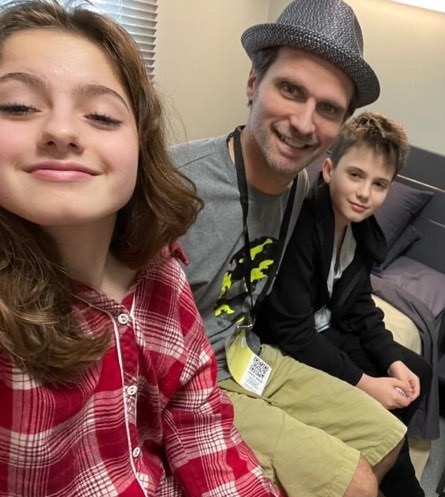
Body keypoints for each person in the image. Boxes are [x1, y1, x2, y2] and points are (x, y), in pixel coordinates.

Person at [0, 1, 279, 496]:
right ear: (253, 87)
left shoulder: (159, 271)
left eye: (102, 116)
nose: (62, 131)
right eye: (18, 107)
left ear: (141, 146)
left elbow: (200, 422)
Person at [169, 1, 407, 497]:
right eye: (290, 89)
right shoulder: (176, 185)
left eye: (328, 109)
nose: (304, 123)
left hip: (249, 355)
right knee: (355, 483)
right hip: (192, 382)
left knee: (388, 436)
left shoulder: (299, 188)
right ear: (254, 83)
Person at [256, 111, 431, 497]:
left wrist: (392, 360)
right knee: (379, 396)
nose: (365, 193)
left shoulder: (362, 230)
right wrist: (367, 384)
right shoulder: (304, 223)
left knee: (416, 371)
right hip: (290, 342)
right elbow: (292, 332)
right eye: (356, 175)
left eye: (379, 184)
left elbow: (362, 305)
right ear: (329, 169)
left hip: (329, 329)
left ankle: (378, 463)